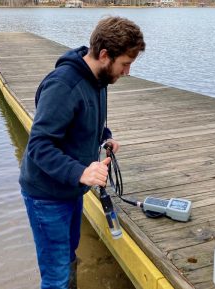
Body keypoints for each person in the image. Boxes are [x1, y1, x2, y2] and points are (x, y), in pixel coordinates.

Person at [19, 16, 145, 289]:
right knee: (56, 275)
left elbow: (85, 119)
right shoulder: (63, 86)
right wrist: (83, 171)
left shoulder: (97, 79)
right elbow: (39, 145)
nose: (127, 72)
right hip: (46, 196)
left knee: (69, 256)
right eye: (125, 64)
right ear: (104, 55)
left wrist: (105, 137)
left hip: (71, 189)